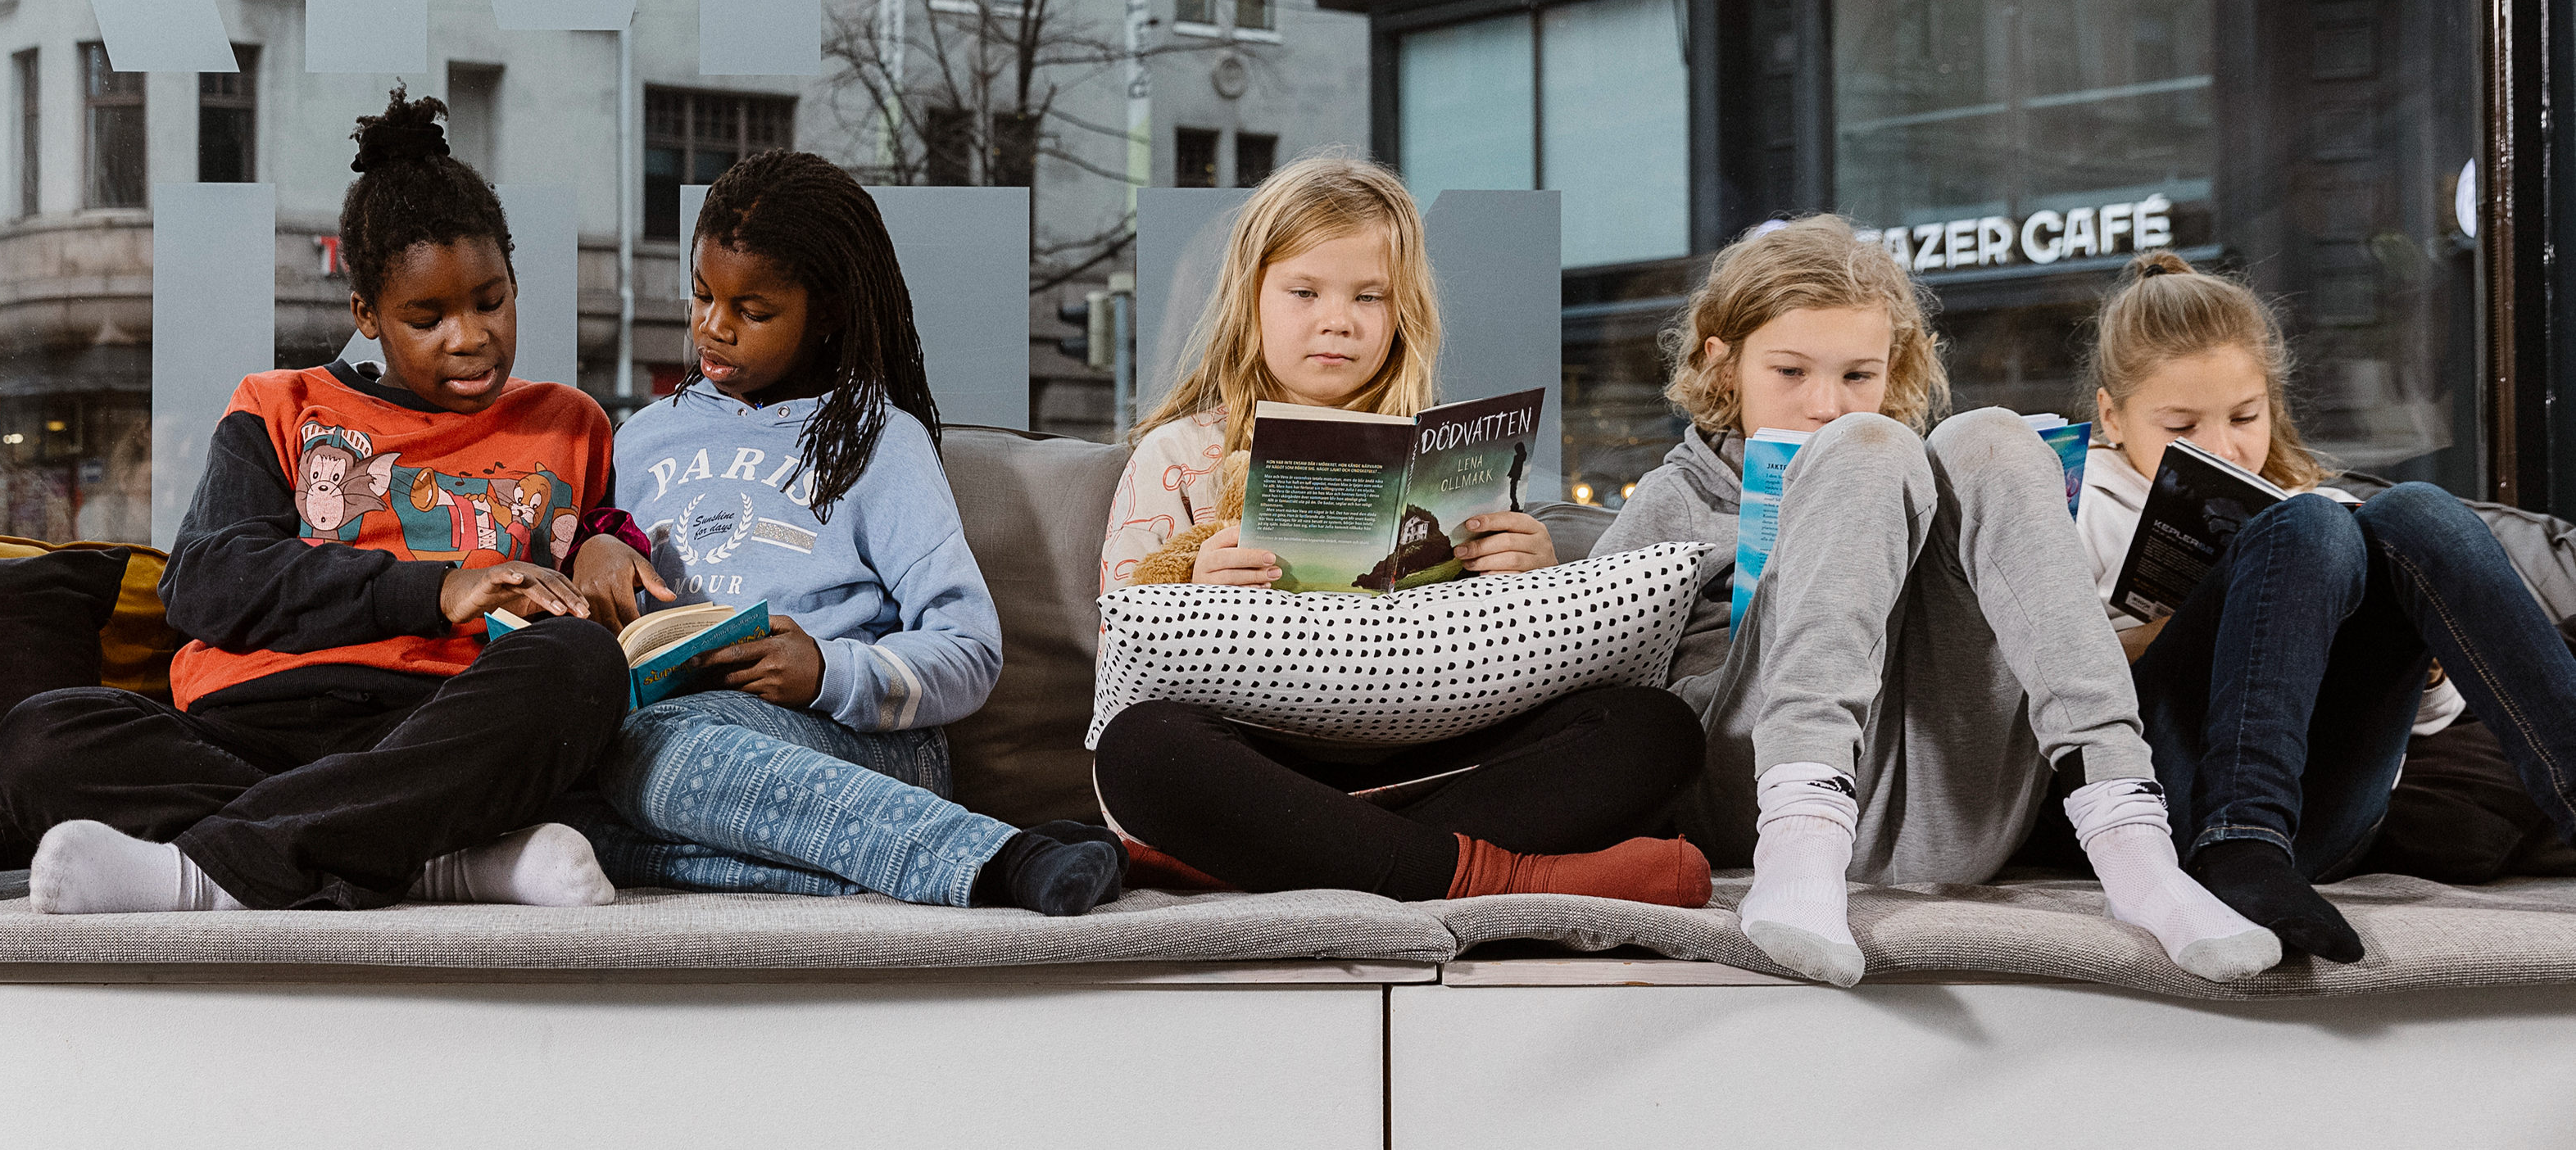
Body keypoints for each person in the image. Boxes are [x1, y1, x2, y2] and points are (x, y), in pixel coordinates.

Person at [0, 89, 633, 913]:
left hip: (429, 728)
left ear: (514, 283)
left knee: (580, 667)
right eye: (426, 316)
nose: (467, 335)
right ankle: (437, 862)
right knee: (38, 741)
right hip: (253, 725)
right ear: (366, 313)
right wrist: (433, 588)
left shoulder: (570, 422)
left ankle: (206, 872)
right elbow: (209, 581)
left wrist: (610, 542)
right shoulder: (279, 403)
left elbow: (599, 547)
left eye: (488, 300)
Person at [1590, 216, 2273, 986]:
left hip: (1954, 812)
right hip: (1749, 802)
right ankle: (1802, 846)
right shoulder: (1675, 496)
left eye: (1859, 376)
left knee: (1991, 438)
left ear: (1896, 366)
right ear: (1724, 366)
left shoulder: (1908, 461)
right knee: (1861, 449)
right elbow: (1595, 693)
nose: (1825, 402)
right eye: (1790, 373)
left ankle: (2133, 845)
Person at [1089, 153, 1712, 908]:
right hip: (1263, 762)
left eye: (1370, 296)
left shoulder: (1448, 458)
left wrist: (1535, 576)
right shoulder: (1180, 456)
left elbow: (1519, 661)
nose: (1338, 320)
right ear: (1248, 300)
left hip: (1433, 756)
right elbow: (1119, 653)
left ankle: (1287, 857)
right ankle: (1503, 877)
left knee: (1657, 728)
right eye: (1304, 291)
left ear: (1403, 312)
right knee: (1142, 751)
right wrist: (1189, 585)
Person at [565, 150, 1121, 916]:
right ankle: (928, 856)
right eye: (700, 296)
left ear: (826, 312)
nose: (713, 327)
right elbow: (592, 567)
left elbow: (970, 648)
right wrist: (593, 546)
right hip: (675, 730)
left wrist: (828, 669)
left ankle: (1002, 861)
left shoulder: (876, 443)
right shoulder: (642, 438)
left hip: (859, 739)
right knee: (571, 814)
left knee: (648, 759)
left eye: (752, 312)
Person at [2079, 251, 2576, 962]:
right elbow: (2035, 701)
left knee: (2414, 512)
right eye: (2182, 429)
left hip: (2327, 817)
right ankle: (2238, 844)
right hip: (2171, 810)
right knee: (2305, 529)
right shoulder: (2080, 506)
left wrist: (2428, 674)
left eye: (2245, 417)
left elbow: (2431, 726)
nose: (2223, 449)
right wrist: (2163, 635)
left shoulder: (2298, 496)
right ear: (2112, 416)